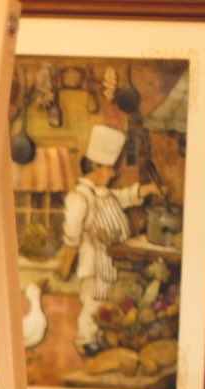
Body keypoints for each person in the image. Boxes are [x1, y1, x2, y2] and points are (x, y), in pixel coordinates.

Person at [57, 125, 161, 355]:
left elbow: (125, 196)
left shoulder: (104, 193)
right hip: (95, 266)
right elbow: (72, 238)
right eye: (109, 168)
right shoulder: (80, 197)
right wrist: (65, 265)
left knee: (109, 304)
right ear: (95, 167)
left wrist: (149, 189)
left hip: (113, 263)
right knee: (92, 304)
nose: (113, 173)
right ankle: (86, 342)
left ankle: (101, 339)